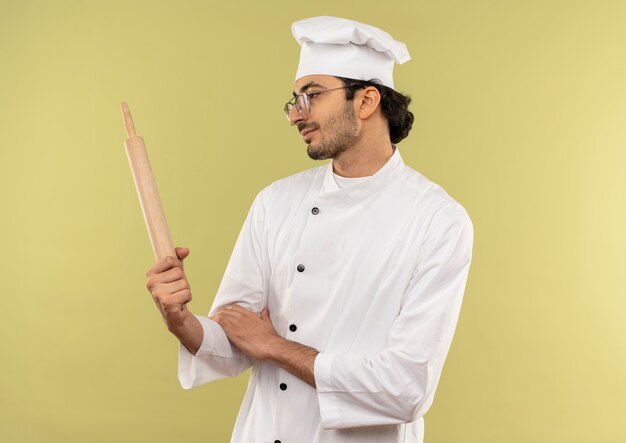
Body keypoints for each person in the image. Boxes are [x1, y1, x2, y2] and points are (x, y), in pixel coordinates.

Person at [145, 16, 473, 443]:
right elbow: (236, 337)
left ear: (367, 100)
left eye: (312, 96)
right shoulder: (275, 203)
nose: (295, 115)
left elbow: (405, 388)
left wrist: (275, 347)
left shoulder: (437, 220)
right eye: (294, 100)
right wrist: (180, 318)